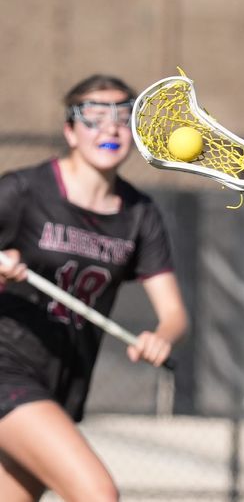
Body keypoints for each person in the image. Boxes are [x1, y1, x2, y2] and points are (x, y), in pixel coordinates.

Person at [0, 74, 189, 502]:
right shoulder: (23, 192)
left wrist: (161, 338)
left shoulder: (140, 214)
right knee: (97, 493)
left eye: (123, 116)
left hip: (62, 378)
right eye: (94, 116)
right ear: (70, 130)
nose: (111, 128)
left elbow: (175, 314)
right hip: (7, 367)